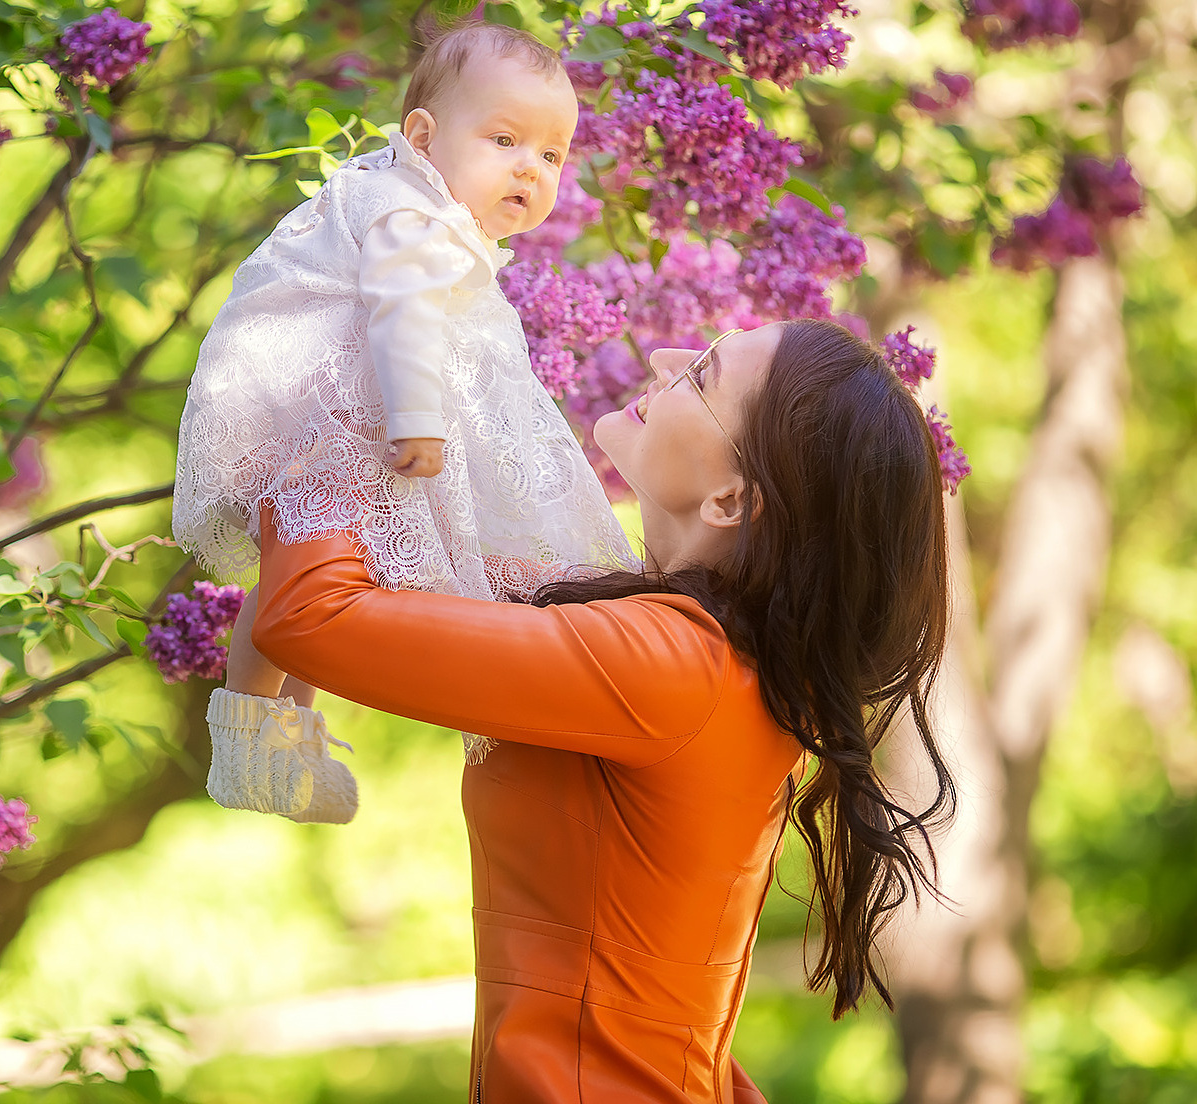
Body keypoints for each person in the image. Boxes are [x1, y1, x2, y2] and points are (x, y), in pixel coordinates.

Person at [252, 318, 957, 1102]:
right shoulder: (709, 660)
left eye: (704, 374)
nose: (664, 358)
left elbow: (308, 618)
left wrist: (327, 417)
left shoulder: (670, 664)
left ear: (730, 498)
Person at [173, 22, 635, 825]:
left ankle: (294, 734)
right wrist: (417, 420)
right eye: (503, 139)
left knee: (337, 580)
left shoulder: (437, 220)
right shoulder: (404, 212)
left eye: (551, 154)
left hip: (349, 424)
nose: (530, 166)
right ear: (423, 137)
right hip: (324, 421)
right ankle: (246, 734)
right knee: (293, 581)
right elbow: (400, 315)